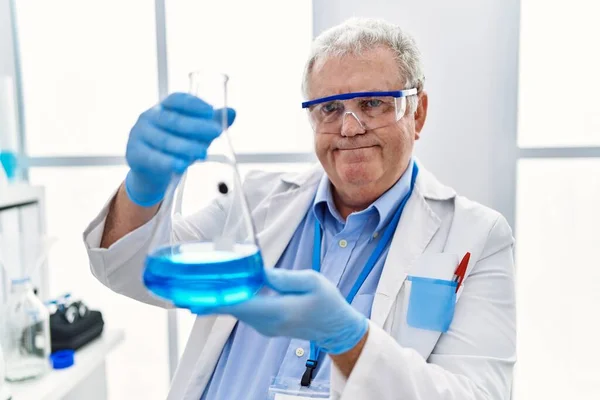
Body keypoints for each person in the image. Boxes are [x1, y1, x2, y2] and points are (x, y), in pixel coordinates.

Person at [84, 17, 515, 400]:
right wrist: (144, 187)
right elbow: (131, 270)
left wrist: (349, 339)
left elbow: (477, 394)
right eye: (329, 108)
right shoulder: (259, 200)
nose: (349, 127)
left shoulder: (479, 236)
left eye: (372, 104)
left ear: (417, 113)